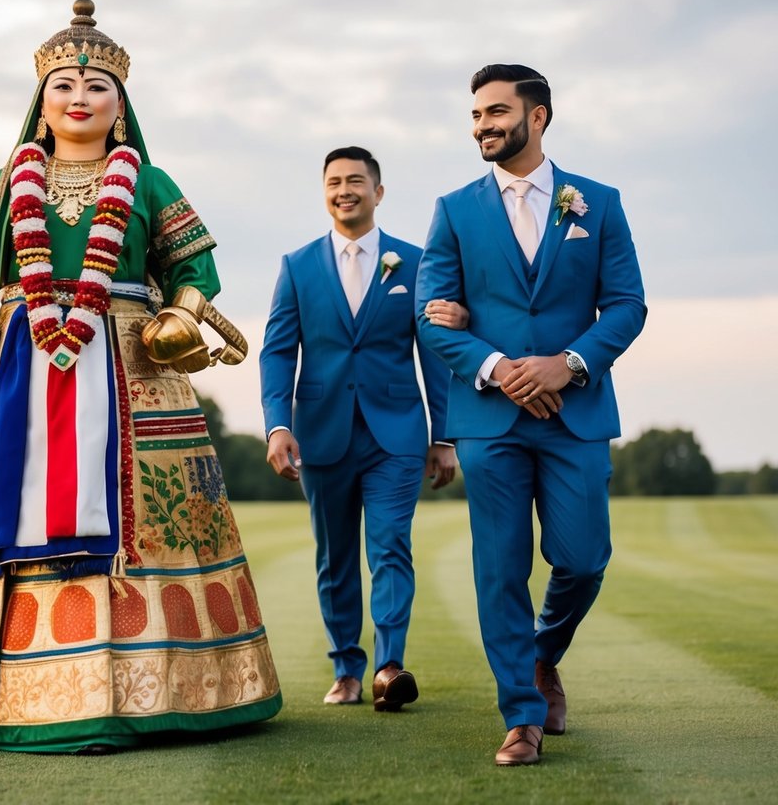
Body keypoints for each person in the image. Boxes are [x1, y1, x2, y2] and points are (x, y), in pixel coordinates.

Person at [0, 0, 281, 752]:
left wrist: (183, 316)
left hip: (132, 362)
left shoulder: (150, 180)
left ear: (120, 107)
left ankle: (156, 691)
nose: (78, 97)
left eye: (96, 87)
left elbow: (196, 268)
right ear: (40, 104)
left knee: (146, 518)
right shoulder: (4, 186)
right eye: (63, 84)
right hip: (17, 367)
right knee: (2, 504)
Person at [415, 64, 646, 765]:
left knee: (582, 560)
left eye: (494, 112)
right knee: (500, 567)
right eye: (475, 115)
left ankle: (543, 655)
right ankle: (520, 713)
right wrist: (501, 370)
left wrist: (566, 364)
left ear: (537, 116)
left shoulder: (596, 204)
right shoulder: (453, 210)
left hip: (575, 415)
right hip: (491, 420)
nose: (481, 125)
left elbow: (628, 305)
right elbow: (432, 317)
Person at [259, 146, 455, 710]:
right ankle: (347, 667)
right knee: (335, 555)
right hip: (321, 434)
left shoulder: (414, 262)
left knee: (391, 543)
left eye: (356, 181)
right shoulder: (297, 266)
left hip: (396, 434)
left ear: (378, 192)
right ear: (325, 192)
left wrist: (444, 437)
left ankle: (389, 668)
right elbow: (277, 352)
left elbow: (434, 355)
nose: (345, 190)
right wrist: (277, 426)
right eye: (334, 182)